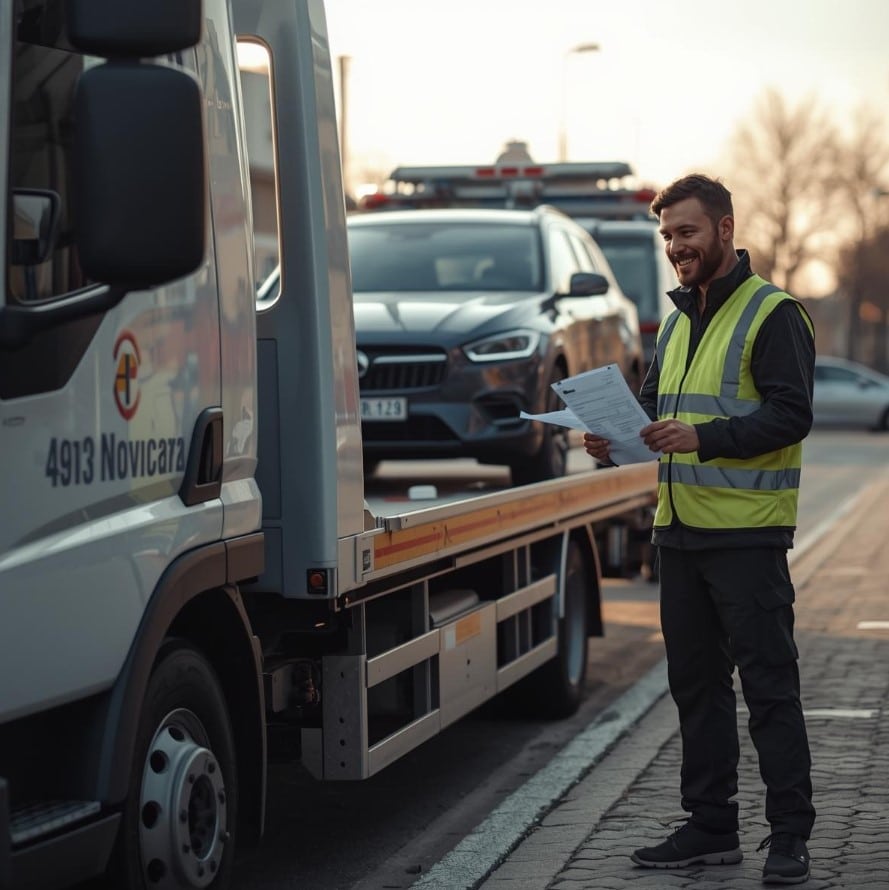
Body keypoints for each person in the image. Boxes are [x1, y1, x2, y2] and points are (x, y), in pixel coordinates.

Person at [583, 173, 816, 885]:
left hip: (746, 539)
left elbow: (790, 414)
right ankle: (711, 826)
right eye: (666, 236)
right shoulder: (679, 319)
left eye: (685, 232)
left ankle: (789, 840)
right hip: (678, 536)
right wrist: (614, 438)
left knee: (769, 690)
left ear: (723, 229)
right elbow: (658, 413)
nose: (673, 247)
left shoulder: (773, 313)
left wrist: (702, 437)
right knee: (696, 688)